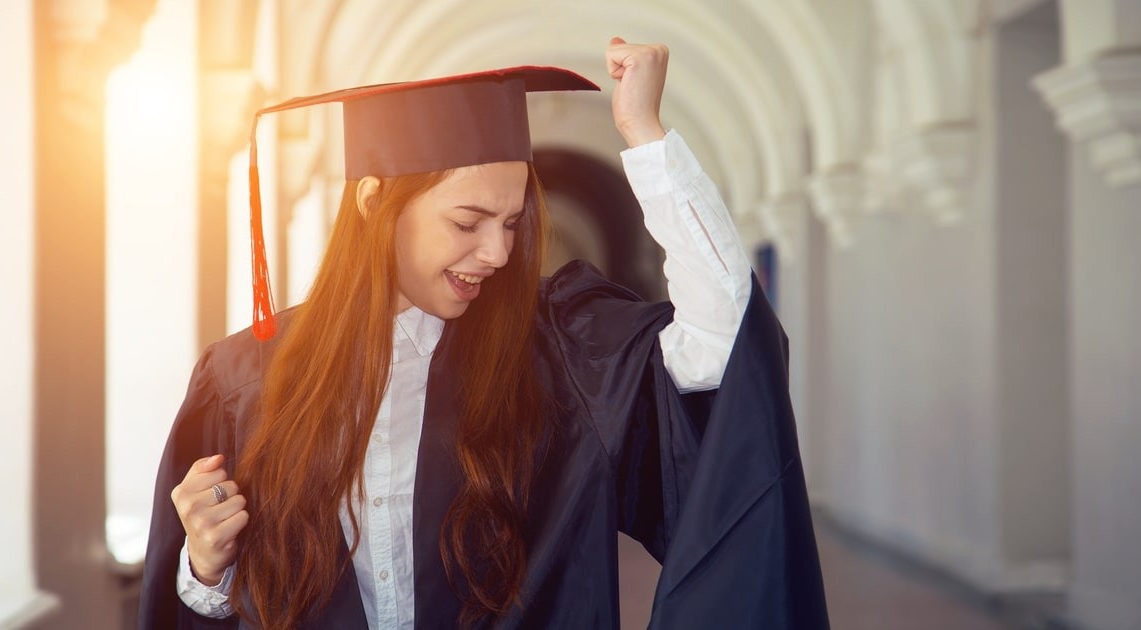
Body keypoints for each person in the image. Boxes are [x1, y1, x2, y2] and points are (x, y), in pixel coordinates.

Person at [139, 38, 829, 629]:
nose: (498, 254)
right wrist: (207, 568)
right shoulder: (242, 380)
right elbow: (208, 606)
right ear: (375, 198)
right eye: (468, 222)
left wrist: (646, 134)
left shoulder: (560, 353)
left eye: (511, 223)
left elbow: (725, 339)